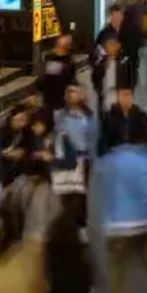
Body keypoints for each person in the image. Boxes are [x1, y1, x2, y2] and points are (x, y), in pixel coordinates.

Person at [96, 124, 147, 293]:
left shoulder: (107, 162)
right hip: (143, 224)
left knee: (117, 270)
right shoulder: (146, 160)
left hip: (114, 226)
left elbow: (102, 186)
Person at [54, 82, 96, 230]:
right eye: (69, 92)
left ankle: (81, 223)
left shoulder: (88, 116)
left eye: (76, 92)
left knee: (81, 193)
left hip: (83, 159)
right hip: (65, 158)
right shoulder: (59, 115)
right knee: (65, 192)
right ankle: (66, 223)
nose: (72, 95)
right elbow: (56, 135)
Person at [99, 83, 147, 156]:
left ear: (132, 97)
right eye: (123, 95)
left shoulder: (142, 117)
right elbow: (104, 139)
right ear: (118, 97)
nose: (126, 98)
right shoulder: (108, 117)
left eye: (128, 95)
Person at [92, 34, 133, 117]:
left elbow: (129, 81)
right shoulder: (100, 64)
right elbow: (95, 81)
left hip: (119, 98)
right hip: (104, 99)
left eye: (114, 44)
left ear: (119, 46)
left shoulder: (125, 63)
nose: (111, 47)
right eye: (108, 44)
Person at [38, 33, 76, 122]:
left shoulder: (69, 61)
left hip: (60, 101)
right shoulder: (49, 57)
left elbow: (70, 79)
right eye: (65, 39)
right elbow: (43, 77)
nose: (67, 42)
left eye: (69, 41)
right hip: (47, 98)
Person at [0, 105, 31, 188]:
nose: (22, 123)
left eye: (25, 120)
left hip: (20, 170)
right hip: (6, 170)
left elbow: (30, 146)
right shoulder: (4, 131)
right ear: (12, 119)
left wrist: (23, 152)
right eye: (20, 120)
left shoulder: (25, 131)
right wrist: (7, 153)